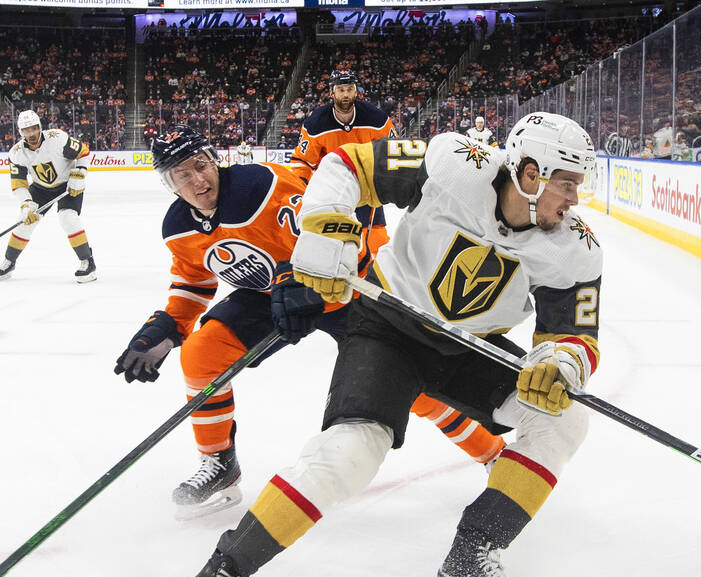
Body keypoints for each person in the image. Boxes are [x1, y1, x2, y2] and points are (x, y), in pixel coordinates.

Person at [180, 112, 602, 577]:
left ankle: (469, 564)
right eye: (566, 182)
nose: (573, 198)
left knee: (565, 416)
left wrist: (561, 364)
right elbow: (347, 165)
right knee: (352, 452)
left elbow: (576, 334)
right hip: (389, 326)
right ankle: (222, 572)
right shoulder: (454, 163)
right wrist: (325, 234)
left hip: (470, 349)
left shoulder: (575, 246)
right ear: (530, 172)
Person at [114, 126, 503, 520]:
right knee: (201, 354)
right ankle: (219, 465)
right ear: (169, 184)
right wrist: (164, 327)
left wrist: (297, 278)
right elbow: (193, 282)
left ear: (215, 160)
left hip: (344, 286)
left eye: (201, 165)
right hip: (269, 299)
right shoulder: (178, 228)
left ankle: (492, 453)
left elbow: (325, 230)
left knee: (409, 386)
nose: (198, 180)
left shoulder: (260, 185)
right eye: (182, 174)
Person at [291, 70, 506, 466]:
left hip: (369, 216)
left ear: (356, 90)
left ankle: (489, 449)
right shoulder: (316, 123)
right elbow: (301, 169)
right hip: (329, 216)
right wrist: (315, 210)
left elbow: (390, 157)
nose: (345, 93)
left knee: (385, 295)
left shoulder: (375, 116)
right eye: (339, 87)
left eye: (350, 87)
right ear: (331, 91)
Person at [0, 110, 96, 283]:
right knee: (24, 221)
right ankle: (9, 261)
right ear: (21, 132)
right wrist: (26, 204)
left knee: (68, 218)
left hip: (67, 185)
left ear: (40, 127)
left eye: (34, 128)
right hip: (41, 189)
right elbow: (18, 183)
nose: (31, 133)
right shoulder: (16, 153)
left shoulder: (58, 139)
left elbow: (83, 152)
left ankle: (87, 262)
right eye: (26, 130)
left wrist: (80, 173)